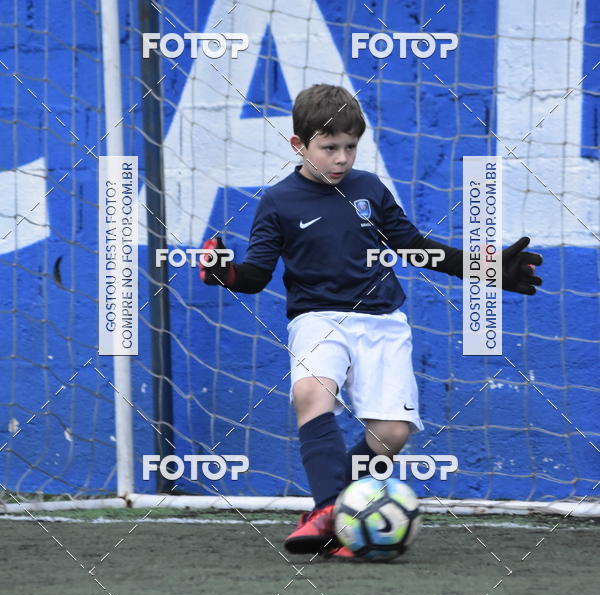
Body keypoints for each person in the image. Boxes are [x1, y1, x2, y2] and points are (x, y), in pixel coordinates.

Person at [200, 84, 542, 558]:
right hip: (318, 318)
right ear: (299, 146)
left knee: (392, 434)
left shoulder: (370, 189)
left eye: (350, 147)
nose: (341, 158)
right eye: (329, 148)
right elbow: (255, 276)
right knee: (310, 392)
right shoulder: (278, 202)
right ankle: (327, 508)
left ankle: (339, 516)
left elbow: (414, 246)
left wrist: (486, 268)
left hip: (382, 321)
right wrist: (225, 273)